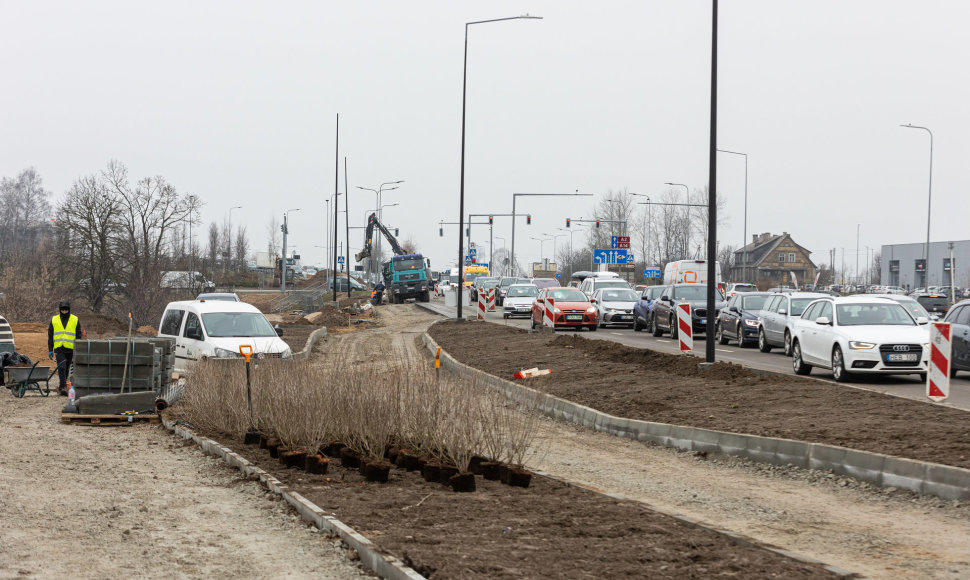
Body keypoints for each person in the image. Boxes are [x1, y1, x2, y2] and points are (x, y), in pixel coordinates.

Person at [48, 301, 85, 396]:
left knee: (67, 368)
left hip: (70, 348)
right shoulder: (54, 319)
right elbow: (50, 335)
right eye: (62, 310)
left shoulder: (75, 319)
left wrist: (78, 348)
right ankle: (63, 387)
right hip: (59, 347)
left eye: (66, 310)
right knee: (61, 367)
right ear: (60, 310)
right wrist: (50, 349)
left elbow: (78, 334)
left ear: (69, 310)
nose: (64, 312)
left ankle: (62, 386)